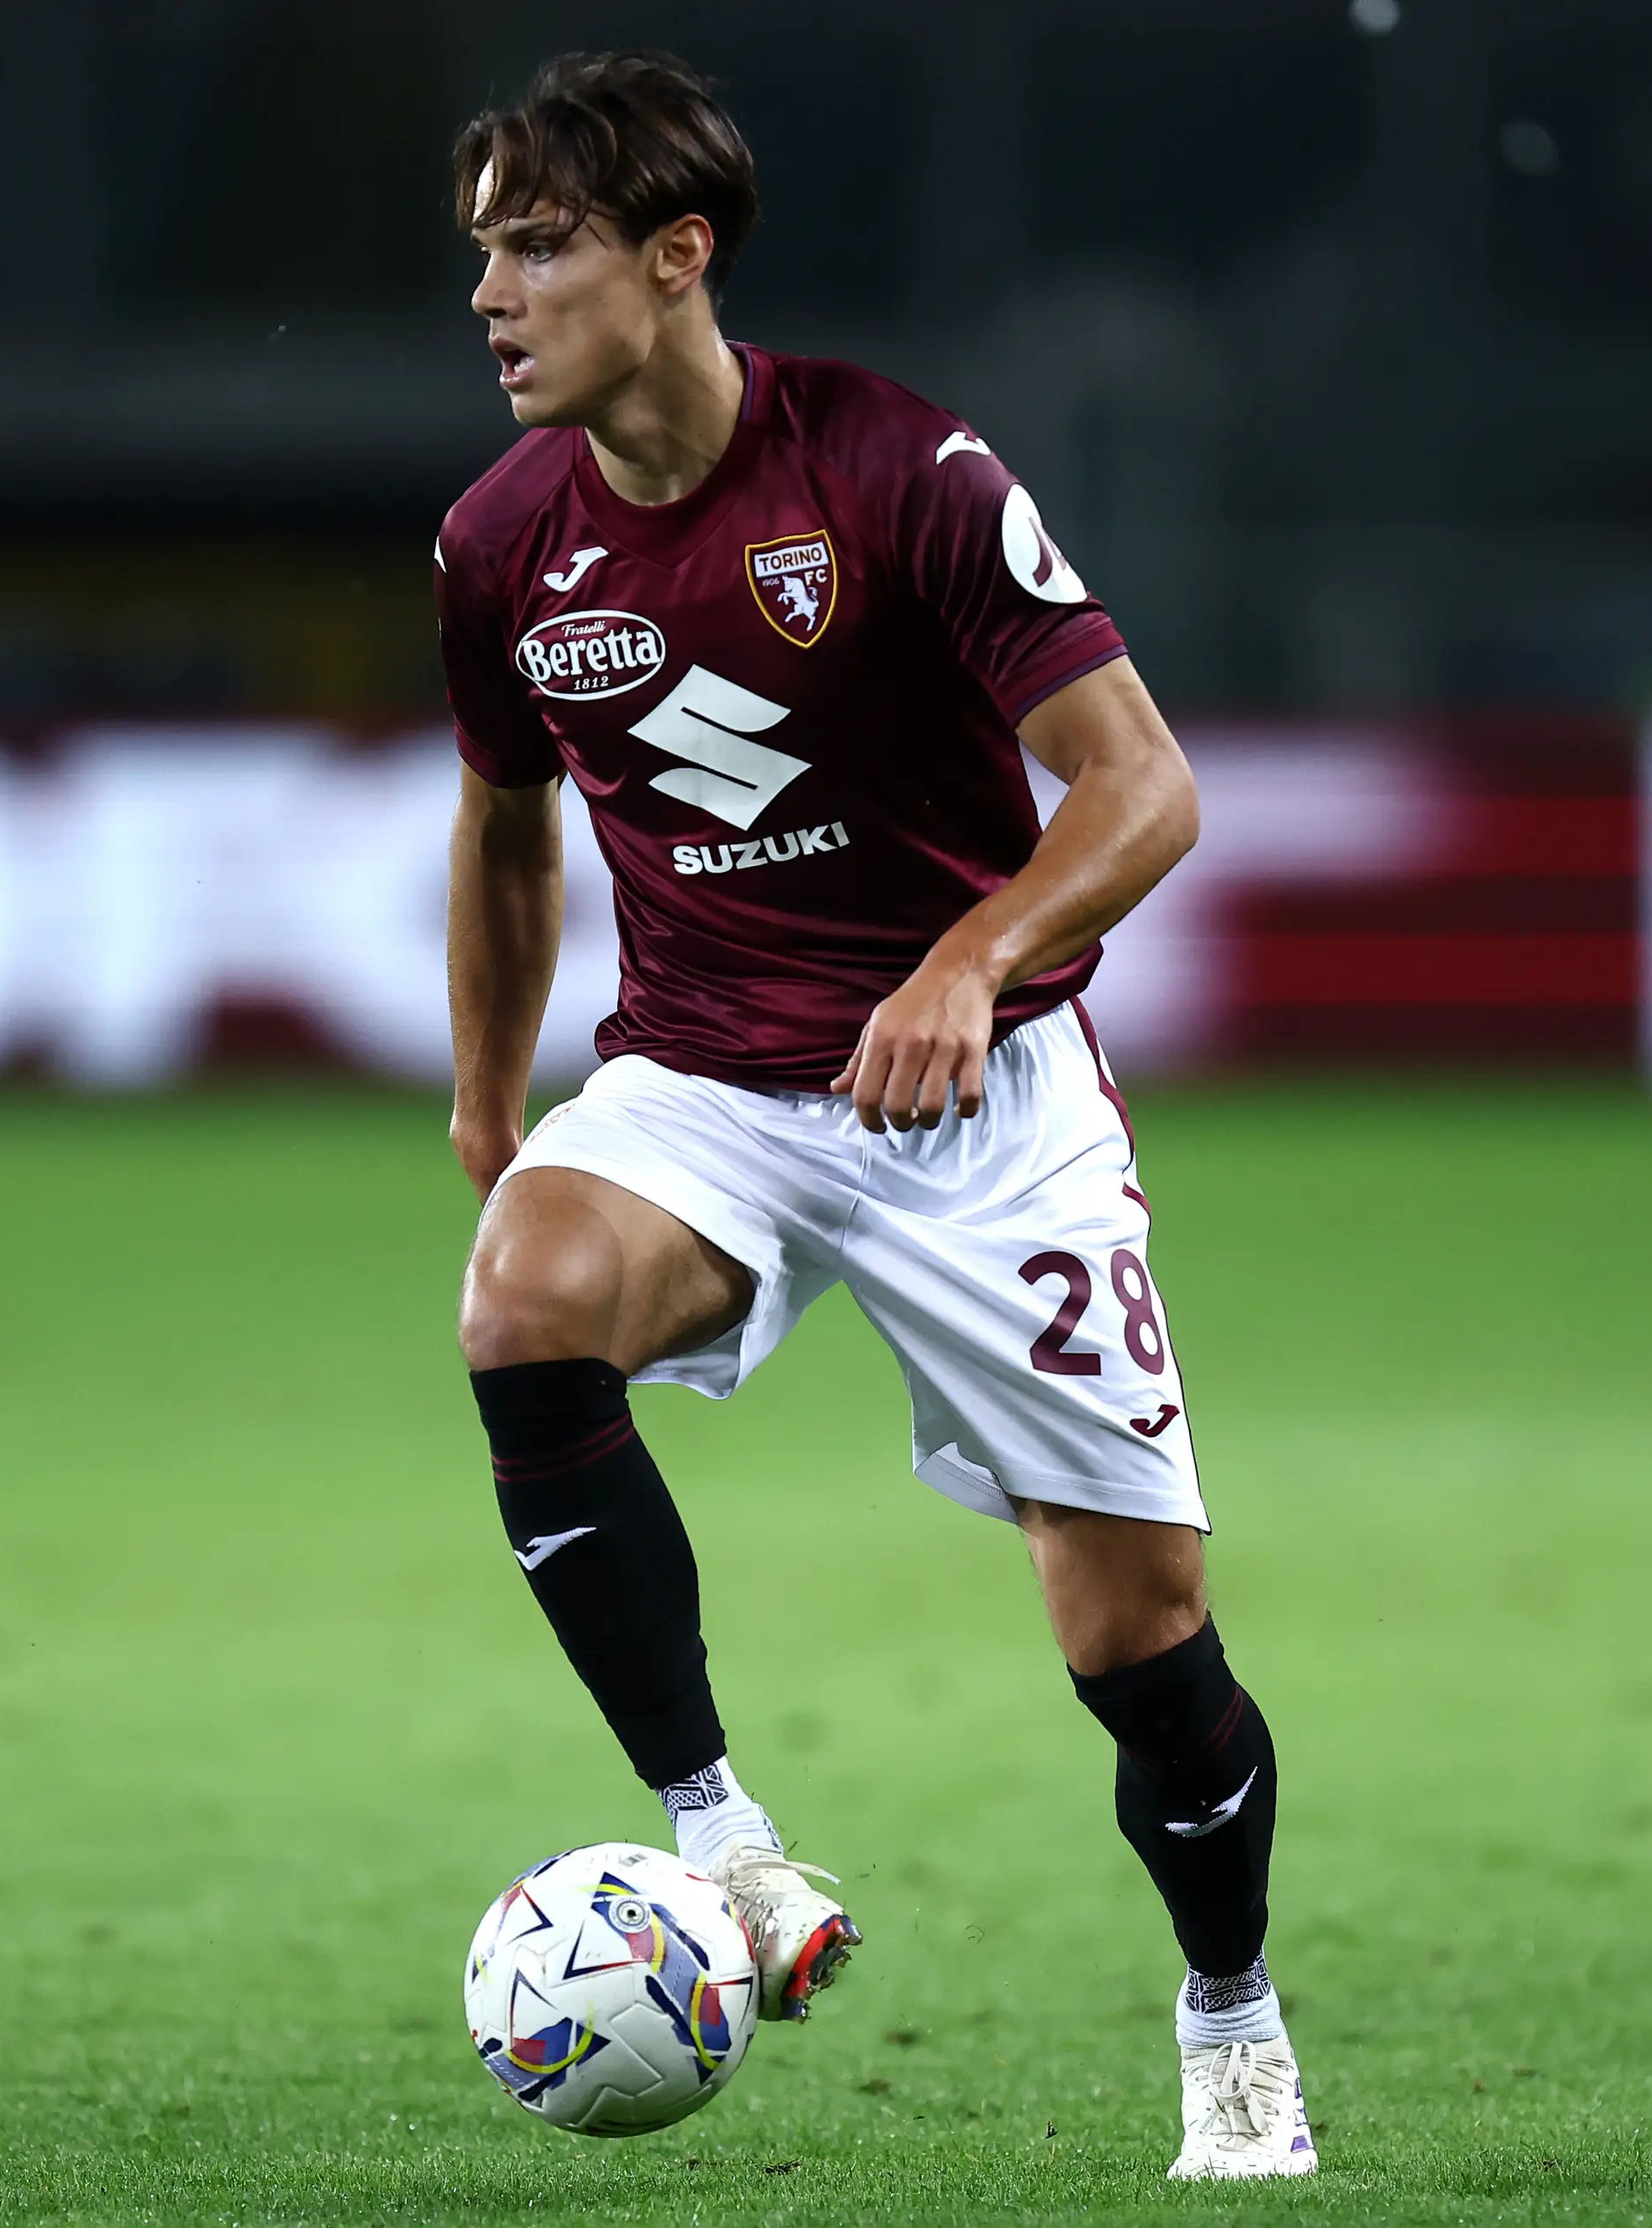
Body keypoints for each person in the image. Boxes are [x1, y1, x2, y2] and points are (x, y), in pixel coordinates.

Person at [433, 51, 1309, 2182]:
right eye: (481, 252)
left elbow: (1145, 786)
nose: (494, 294)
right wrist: (491, 1104)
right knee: (522, 1298)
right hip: (711, 1082)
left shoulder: (904, 471)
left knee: (1140, 1634)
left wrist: (971, 957)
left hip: (980, 1102)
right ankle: (726, 1844)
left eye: (536, 244)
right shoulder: (499, 544)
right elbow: (506, 830)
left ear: (676, 255)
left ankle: (1233, 2020)